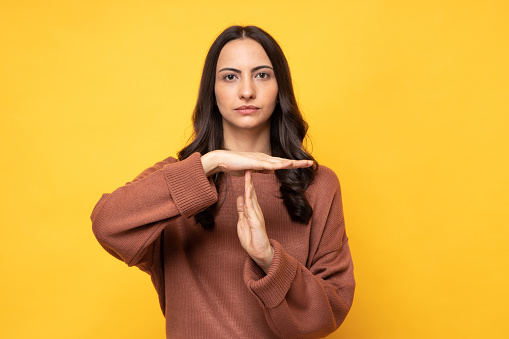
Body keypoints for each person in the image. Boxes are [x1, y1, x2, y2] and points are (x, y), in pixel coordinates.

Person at [91, 25, 355, 338]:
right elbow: (107, 224)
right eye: (230, 76)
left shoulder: (318, 184)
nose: (247, 91)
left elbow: (328, 312)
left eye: (261, 75)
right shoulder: (178, 181)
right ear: (212, 92)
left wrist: (268, 258)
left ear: (279, 88)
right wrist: (211, 162)